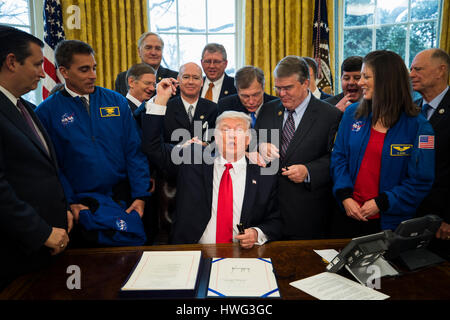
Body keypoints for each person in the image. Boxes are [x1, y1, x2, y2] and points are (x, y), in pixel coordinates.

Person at [36, 40, 151, 247]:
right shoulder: (46, 112)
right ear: (64, 72)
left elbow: (134, 151)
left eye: (94, 68)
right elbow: (52, 167)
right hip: (81, 206)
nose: (93, 75)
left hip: (121, 200)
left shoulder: (116, 102)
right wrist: (70, 202)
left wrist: (140, 196)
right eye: (84, 69)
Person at [142, 79, 282, 247]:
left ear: (248, 139)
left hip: (244, 255)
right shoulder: (192, 159)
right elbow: (153, 148)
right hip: (194, 250)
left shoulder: (264, 173)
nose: (231, 135)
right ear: (215, 135)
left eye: (238, 130)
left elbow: (276, 220)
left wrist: (257, 233)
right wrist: (161, 100)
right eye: (225, 129)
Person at [330, 50, 435, 238]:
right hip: (348, 215)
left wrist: (382, 202)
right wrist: (345, 196)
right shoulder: (352, 113)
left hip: (389, 223)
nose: (360, 82)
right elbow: (339, 158)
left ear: (386, 80)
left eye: (366, 76)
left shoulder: (419, 127)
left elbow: (421, 181)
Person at [0, 26, 70, 289]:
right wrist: (41, 232)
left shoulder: (26, 107)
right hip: (15, 250)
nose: (43, 73)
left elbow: (43, 170)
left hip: (45, 245)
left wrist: (60, 210)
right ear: (11, 62)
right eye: (37, 64)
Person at [255, 56, 342, 240]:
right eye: (278, 88)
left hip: (307, 213)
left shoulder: (330, 115)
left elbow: (337, 159)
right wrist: (259, 146)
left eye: (288, 88)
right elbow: (254, 144)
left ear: (306, 83)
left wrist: (308, 170)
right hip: (267, 212)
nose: (281, 93)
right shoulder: (267, 110)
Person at [411, 48, 450, 259]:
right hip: (412, 214)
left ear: (440, 71)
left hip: (441, 219)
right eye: (410, 69)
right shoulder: (411, 109)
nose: (411, 74)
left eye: (418, 69)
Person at [163, 62, 217, 145]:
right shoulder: (166, 108)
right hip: (173, 157)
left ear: (202, 82)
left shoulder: (213, 108)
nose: (191, 82)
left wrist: (205, 146)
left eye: (195, 78)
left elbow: (217, 143)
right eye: (186, 77)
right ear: (178, 80)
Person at [114, 32, 178, 97]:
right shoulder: (123, 78)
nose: (153, 52)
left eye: (158, 48)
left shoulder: (174, 78)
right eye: (148, 48)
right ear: (139, 52)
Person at [126, 63, 157, 127]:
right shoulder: (122, 107)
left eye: (154, 85)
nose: (152, 88)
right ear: (131, 82)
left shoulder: (153, 107)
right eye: (147, 83)